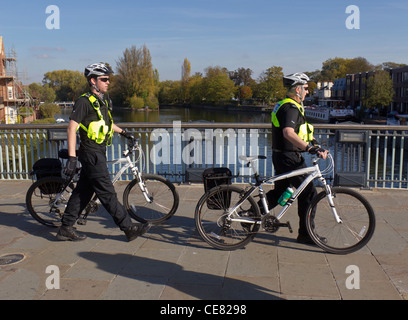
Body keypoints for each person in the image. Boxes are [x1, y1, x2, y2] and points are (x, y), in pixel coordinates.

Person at [56, 63, 150, 242]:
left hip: (99, 151)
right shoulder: (84, 102)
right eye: (104, 79)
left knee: (83, 191)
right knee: (107, 193)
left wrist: (124, 133)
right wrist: (72, 158)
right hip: (91, 154)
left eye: (108, 79)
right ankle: (128, 228)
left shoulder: (102, 101)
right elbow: (71, 129)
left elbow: (106, 124)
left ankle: (65, 228)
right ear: (93, 81)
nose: (108, 82)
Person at [268, 72, 328, 244]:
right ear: (298, 89)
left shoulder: (286, 105)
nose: (308, 92)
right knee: (309, 193)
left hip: (282, 155)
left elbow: (301, 131)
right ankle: (306, 234)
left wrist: (314, 144)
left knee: (280, 191)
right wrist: (308, 148)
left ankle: (251, 213)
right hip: (289, 157)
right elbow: (288, 132)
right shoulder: (290, 108)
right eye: (306, 88)